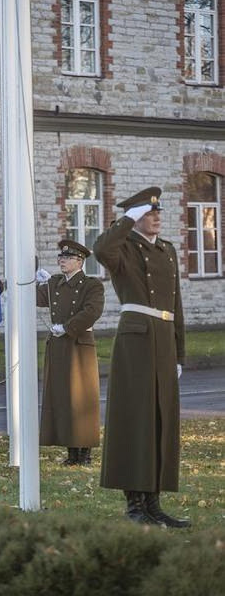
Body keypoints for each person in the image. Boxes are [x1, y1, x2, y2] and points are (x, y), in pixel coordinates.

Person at [93, 186, 190, 528]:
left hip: (163, 338)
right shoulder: (123, 248)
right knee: (136, 419)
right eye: (149, 213)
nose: (157, 217)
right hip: (135, 338)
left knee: (161, 420)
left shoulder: (167, 250)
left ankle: (154, 501)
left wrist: (179, 352)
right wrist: (126, 221)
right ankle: (134, 504)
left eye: (158, 213)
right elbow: (100, 249)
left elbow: (175, 304)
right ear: (135, 218)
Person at [36, 239, 105, 466]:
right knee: (63, 398)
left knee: (80, 399)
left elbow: (92, 311)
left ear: (80, 261)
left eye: (67, 258)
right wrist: (34, 280)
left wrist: (67, 327)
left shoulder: (91, 285)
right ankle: (71, 451)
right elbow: (38, 300)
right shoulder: (55, 282)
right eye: (60, 257)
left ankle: (83, 452)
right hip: (57, 346)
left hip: (79, 345)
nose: (62, 261)